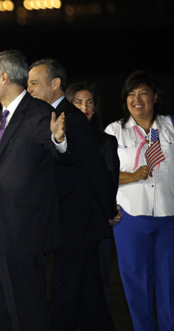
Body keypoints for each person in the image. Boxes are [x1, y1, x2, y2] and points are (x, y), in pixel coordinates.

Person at [0, 50, 67, 331]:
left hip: (23, 235)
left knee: (27, 313)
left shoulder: (40, 113)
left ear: (4, 77)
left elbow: (61, 156)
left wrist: (59, 140)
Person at [28, 59, 118, 331]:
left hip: (76, 226)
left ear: (55, 84)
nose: (29, 88)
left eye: (34, 82)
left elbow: (95, 169)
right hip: (74, 225)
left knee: (64, 297)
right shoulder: (45, 116)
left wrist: (108, 211)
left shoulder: (71, 118)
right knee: (91, 299)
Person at [104, 70, 174, 331]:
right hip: (130, 220)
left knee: (169, 286)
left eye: (143, 92)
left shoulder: (170, 126)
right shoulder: (114, 131)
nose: (137, 99)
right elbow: (101, 175)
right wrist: (132, 176)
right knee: (138, 287)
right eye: (131, 94)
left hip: (169, 219)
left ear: (155, 96)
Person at [66, 82, 120, 312]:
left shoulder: (106, 141)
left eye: (89, 102)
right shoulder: (57, 139)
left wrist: (108, 212)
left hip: (98, 225)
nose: (84, 107)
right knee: (69, 290)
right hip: (66, 227)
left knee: (99, 288)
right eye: (77, 102)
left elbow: (109, 181)